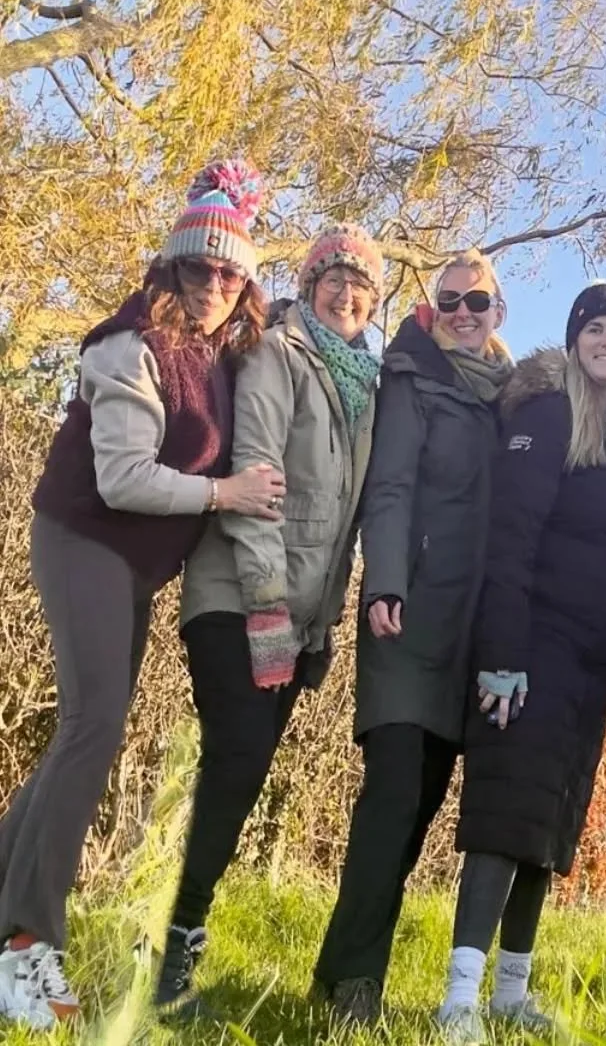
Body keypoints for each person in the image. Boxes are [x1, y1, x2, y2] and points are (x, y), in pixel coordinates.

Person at [0, 161, 279, 1031]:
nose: (214, 285)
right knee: (93, 728)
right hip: (85, 537)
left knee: (85, 734)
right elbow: (122, 478)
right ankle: (24, 948)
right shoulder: (129, 345)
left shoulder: (219, 352)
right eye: (200, 268)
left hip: (133, 565)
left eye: (232, 272)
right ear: (170, 269)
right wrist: (223, 495)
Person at [153, 225, 385, 1014]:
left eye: (360, 285)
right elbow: (256, 482)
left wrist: (316, 627)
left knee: (237, 771)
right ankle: (175, 934)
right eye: (333, 278)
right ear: (309, 283)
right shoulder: (278, 356)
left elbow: (345, 520)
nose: (345, 293)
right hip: (236, 596)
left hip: (299, 614)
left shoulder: (367, 386)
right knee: (239, 759)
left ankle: (170, 923)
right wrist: (269, 609)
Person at [437, 283, 606, 1036]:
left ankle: (510, 992)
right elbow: (512, 539)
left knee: (546, 829)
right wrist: (501, 656)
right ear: (574, 338)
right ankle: (460, 995)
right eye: (595, 329)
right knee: (502, 822)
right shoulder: (549, 413)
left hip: (590, 670)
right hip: (528, 649)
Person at [313, 250, 514, 1024]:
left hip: (470, 634)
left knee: (422, 807)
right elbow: (389, 486)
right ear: (435, 309)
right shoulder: (411, 378)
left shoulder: (513, 399)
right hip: (408, 616)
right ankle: (357, 985)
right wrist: (386, 580)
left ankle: (338, 972)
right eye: (451, 300)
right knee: (392, 798)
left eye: (478, 302)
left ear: (499, 313)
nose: (463, 313)